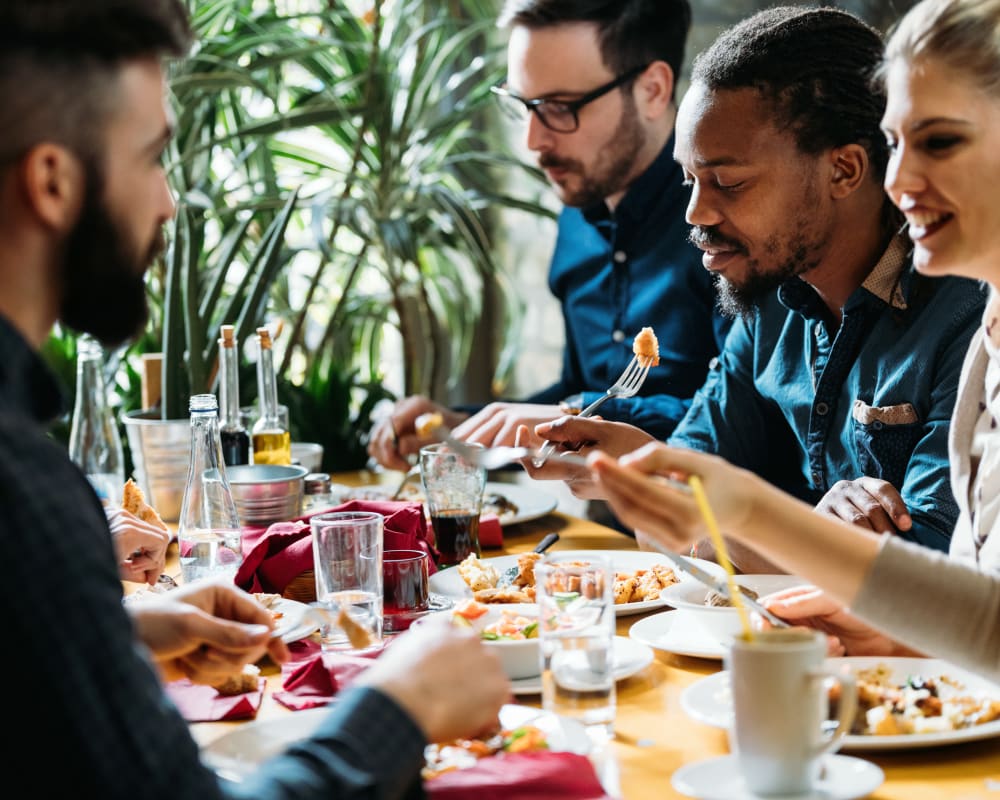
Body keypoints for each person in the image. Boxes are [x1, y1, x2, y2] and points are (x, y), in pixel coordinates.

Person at [0, 2, 508, 797]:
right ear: (53, 182)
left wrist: (113, 631)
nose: (168, 201)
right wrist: (400, 710)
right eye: (151, 157)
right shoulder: (22, 491)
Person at [588, 0, 1000, 682]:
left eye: (940, 142)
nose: (898, 181)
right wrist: (884, 630)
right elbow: (982, 613)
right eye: (896, 143)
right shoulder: (985, 333)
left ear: (843, 171)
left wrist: (747, 513)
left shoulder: (962, 314)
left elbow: (942, 565)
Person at [367, 0, 730, 472]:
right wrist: (459, 423)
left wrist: (578, 415)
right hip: (607, 534)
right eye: (524, 106)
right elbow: (577, 388)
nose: (533, 142)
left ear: (653, 90)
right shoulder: (578, 218)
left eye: (559, 108)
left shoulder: (726, 221)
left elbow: (741, 417)